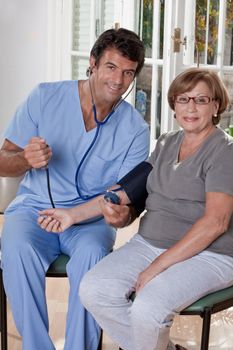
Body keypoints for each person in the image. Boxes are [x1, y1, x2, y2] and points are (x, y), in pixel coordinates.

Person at [40, 68, 233, 350]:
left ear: (216, 106)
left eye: (201, 100)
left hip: (211, 255)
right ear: (173, 104)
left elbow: (215, 223)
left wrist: (156, 268)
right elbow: (123, 191)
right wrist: (71, 215)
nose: (191, 107)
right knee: (93, 290)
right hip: (149, 243)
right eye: (183, 99)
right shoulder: (167, 143)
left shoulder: (224, 152)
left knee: (148, 306)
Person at [0, 28, 150, 350]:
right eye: (111, 67)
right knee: (17, 248)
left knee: (92, 257)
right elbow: (2, 160)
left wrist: (121, 215)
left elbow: (123, 197)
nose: (118, 81)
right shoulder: (44, 97)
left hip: (89, 221)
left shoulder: (135, 129)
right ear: (93, 63)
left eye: (128, 73)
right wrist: (25, 159)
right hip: (34, 209)